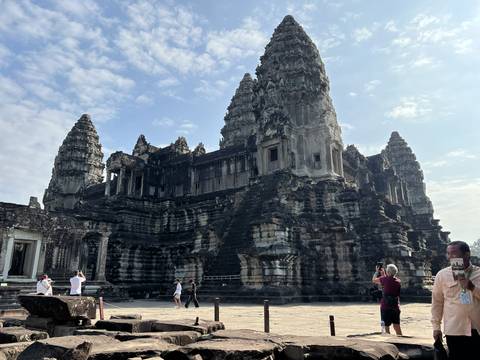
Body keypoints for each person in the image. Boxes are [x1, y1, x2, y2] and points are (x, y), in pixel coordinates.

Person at [431, 241, 480, 359]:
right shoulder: (442, 275)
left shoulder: (478, 273)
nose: (450, 257)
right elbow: (437, 302)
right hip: (454, 330)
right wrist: (436, 327)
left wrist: (471, 287)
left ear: (467, 254)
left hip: (476, 329)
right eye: (448, 254)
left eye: (454, 253)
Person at [372, 263, 402, 335]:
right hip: (395, 306)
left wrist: (377, 272)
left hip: (385, 306)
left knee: (386, 326)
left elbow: (374, 280)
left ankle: (388, 339)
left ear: (388, 272)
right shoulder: (398, 281)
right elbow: (388, 281)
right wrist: (384, 275)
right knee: (397, 325)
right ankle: (401, 339)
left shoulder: (385, 279)